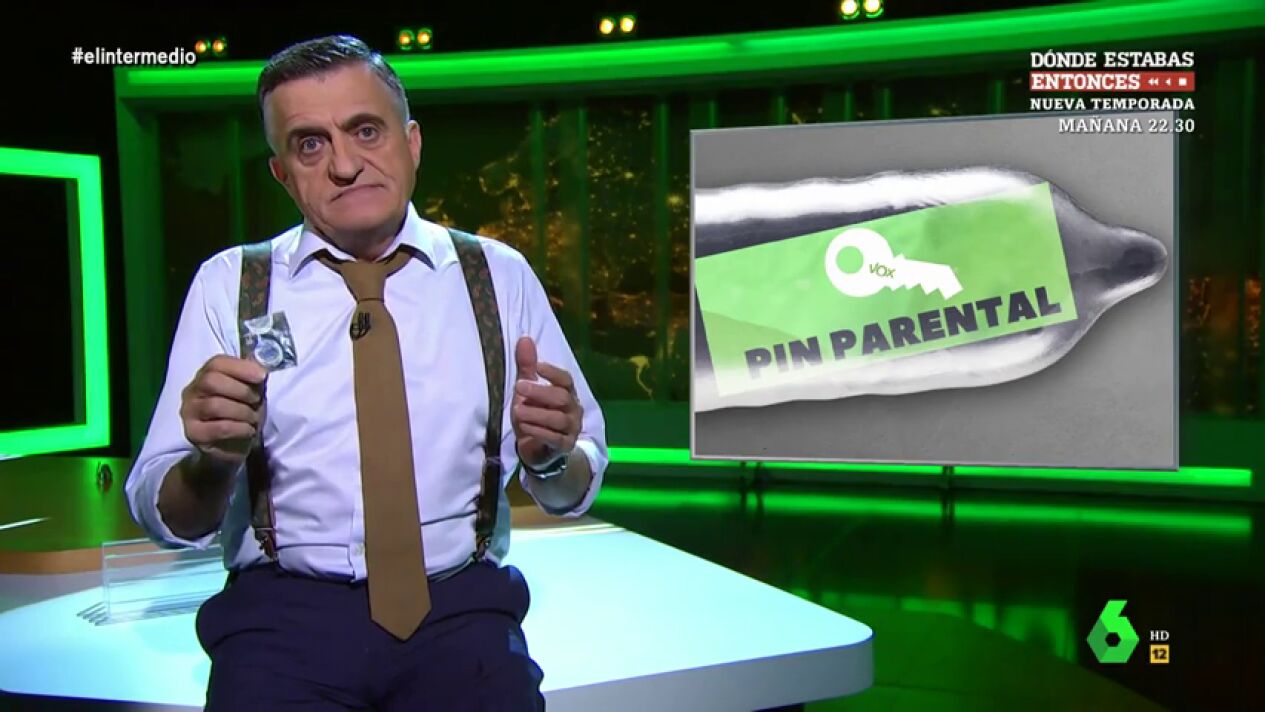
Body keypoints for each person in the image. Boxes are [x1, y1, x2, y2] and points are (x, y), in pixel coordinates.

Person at [125, 34, 607, 711]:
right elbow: (167, 518)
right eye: (310, 144)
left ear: (412, 143)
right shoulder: (230, 285)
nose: (346, 165)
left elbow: (571, 486)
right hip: (280, 622)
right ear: (282, 174)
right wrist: (212, 464)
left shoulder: (497, 276)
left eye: (366, 130)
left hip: (462, 613)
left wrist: (552, 458)